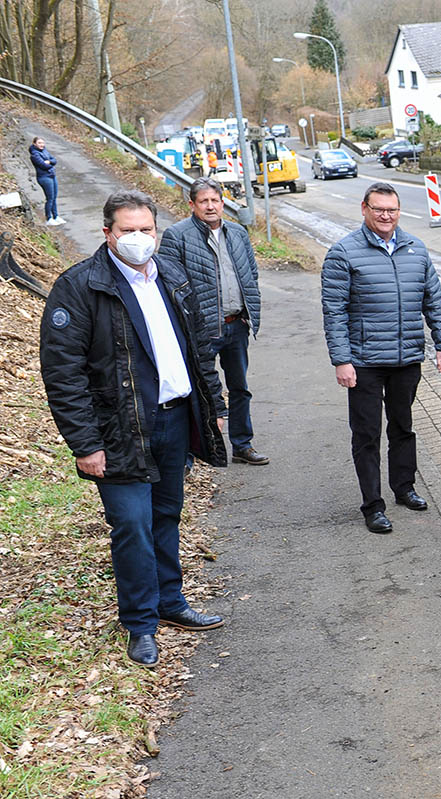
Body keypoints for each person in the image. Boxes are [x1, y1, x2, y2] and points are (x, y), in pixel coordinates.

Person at [39, 191, 228, 668]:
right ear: (108, 233)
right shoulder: (81, 287)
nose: (139, 239)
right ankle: (140, 623)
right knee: (131, 526)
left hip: (173, 419)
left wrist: (214, 405)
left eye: (147, 229)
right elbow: (64, 374)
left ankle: (171, 601)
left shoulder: (172, 276)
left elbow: (199, 349)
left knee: (165, 516)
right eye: (128, 231)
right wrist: (85, 443)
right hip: (118, 431)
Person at [321, 182, 441, 535]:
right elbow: (334, 312)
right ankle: (373, 505)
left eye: (391, 210)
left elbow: (433, 301)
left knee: (403, 427)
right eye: (378, 209)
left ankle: (404, 487)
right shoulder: (343, 253)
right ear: (363, 208)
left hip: (407, 357)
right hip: (363, 361)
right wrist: (341, 360)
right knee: (366, 434)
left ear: (399, 211)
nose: (385, 216)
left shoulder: (416, 249)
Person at [158, 177, 268, 466]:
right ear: (192, 204)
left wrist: (247, 314)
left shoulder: (238, 233)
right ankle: (192, 454)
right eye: (203, 201)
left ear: (223, 202)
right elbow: (169, 284)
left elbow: (251, 274)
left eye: (215, 200)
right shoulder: (177, 235)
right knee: (199, 390)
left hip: (235, 325)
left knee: (240, 388)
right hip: (200, 330)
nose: (210, 206)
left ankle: (242, 445)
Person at [29, 136, 63, 225]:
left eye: (43, 143)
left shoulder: (45, 151)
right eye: (39, 143)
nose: (42, 145)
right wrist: (49, 163)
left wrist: (49, 162)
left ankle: (56, 216)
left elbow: (54, 160)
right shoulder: (34, 154)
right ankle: (49, 218)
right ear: (34, 144)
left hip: (52, 175)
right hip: (44, 177)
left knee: (54, 197)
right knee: (50, 198)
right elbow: (43, 165)